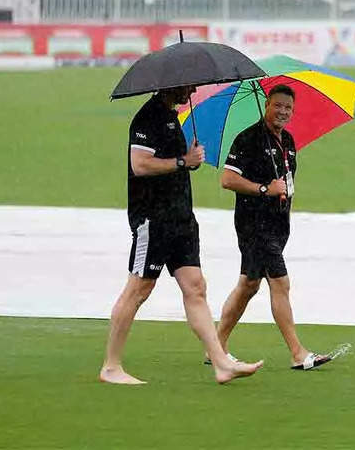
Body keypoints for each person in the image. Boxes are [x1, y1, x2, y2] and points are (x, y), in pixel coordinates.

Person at [100, 85, 264, 385]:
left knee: (195, 286)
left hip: (180, 219)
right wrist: (182, 162)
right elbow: (139, 165)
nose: (193, 90)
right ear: (169, 84)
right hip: (153, 219)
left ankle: (220, 362)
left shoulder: (173, 116)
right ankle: (111, 367)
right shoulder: (147, 118)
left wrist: (189, 159)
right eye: (188, 86)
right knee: (139, 288)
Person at [216, 84, 333, 370]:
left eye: (288, 108)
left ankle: (215, 346)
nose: (283, 111)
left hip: (279, 225)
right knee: (280, 282)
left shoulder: (288, 141)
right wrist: (265, 188)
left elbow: (287, 181)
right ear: (267, 105)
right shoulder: (248, 139)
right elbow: (227, 179)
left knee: (248, 284)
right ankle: (297, 353)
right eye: (278, 105)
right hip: (255, 225)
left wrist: (281, 191)